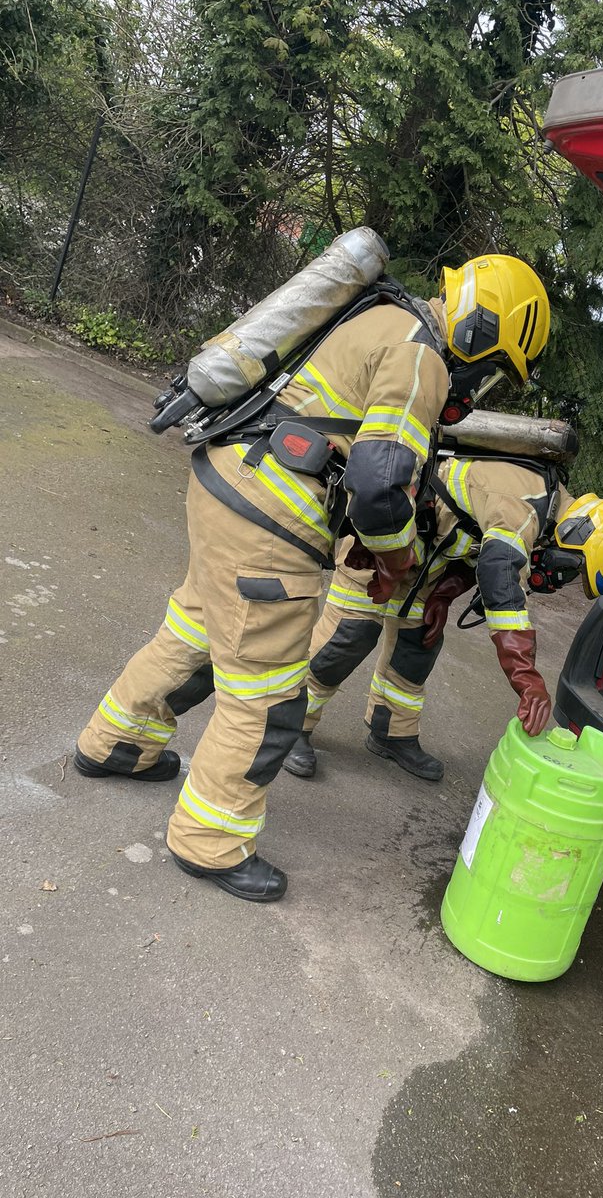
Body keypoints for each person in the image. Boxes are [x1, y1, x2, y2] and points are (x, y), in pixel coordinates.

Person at [72, 254, 551, 902]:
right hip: (272, 520)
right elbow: (379, 484)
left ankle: (116, 744)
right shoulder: (423, 359)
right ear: (481, 332)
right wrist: (396, 559)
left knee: (194, 633)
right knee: (269, 697)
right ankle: (208, 841)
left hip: (226, 478)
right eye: (495, 368)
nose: (483, 385)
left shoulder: (378, 315)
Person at [282, 463, 603, 782]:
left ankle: (391, 732)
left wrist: (444, 593)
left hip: (423, 562)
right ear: (578, 534)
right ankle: (288, 726)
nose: (557, 578)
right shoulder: (524, 507)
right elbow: (498, 574)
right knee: (350, 636)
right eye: (571, 570)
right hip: (382, 543)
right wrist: (527, 678)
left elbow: (472, 538)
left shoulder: (546, 509)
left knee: (418, 645)